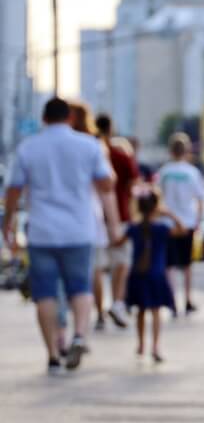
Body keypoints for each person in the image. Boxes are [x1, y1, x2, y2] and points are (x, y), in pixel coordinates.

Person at [2, 98, 119, 373]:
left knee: (45, 295)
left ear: (43, 119)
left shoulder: (28, 148)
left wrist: (7, 224)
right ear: (69, 118)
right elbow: (107, 183)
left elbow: (13, 191)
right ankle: (79, 334)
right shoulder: (88, 146)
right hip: (79, 230)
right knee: (80, 288)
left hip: (42, 231)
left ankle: (53, 356)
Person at [68, 103, 129, 331]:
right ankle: (113, 305)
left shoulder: (72, 147)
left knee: (93, 269)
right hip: (95, 219)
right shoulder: (96, 147)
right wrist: (114, 224)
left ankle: (98, 313)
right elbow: (108, 190)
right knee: (119, 263)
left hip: (73, 222)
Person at [118, 190, 184, 363]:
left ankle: (140, 344)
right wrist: (169, 213)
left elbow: (118, 242)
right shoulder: (162, 228)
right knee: (156, 312)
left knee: (140, 311)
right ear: (157, 207)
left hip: (138, 275)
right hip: (157, 275)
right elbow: (182, 230)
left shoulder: (134, 228)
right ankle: (155, 346)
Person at [96, 115, 140, 320]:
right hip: (120, 215)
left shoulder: (90, 153)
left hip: (94, 217)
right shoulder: (121, 156)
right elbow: (133, 186)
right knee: (121, 263)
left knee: (96, 266)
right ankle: (116, 302)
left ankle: (99, 312)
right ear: (111, 128)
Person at [156, 132, 204, 315]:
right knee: (187, 264)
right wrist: (198, 221)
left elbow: (157, 198)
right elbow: (200, 200)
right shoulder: (192, 172)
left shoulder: (164, 172)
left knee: (169, 265)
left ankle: (172, 301)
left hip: (168, 223)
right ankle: (188, 299)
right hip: (188, 222)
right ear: (187, 150)